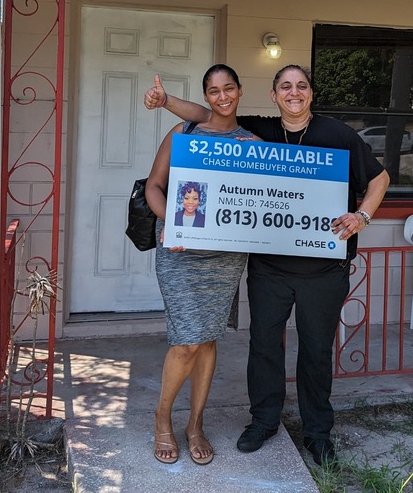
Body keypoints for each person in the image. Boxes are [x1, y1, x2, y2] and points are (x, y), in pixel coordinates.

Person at [145, 64, 390, 466]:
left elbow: (379, 179)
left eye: (302, 85)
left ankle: (317, 434)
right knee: (262, 349)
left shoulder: (338, 135)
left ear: (311, 92)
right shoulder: (262, 133)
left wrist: (361, 216)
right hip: (267, 269)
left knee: (313, 353)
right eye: (285, 87)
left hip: (323, 269)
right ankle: (263, 422)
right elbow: (208, 117)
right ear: (274, 96)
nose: (294, 92)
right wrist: (166, 100)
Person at [143, 64, 256, 465]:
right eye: (213, 90)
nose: (222, 96)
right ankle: (162, 418)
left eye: (229, 88)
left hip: (224, 258)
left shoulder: (252, 144)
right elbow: (154, 186)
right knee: (187, 340)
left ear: (239, 91)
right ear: (206, 95)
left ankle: (195, 424)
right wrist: (170, 226)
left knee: (208, 339)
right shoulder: (185, 134)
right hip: (180, 252)